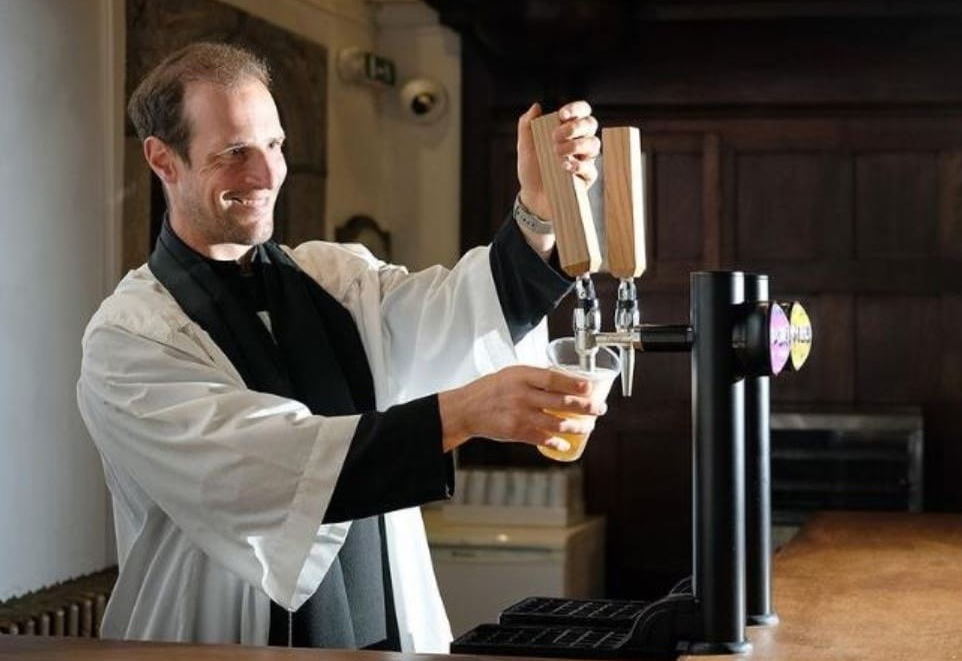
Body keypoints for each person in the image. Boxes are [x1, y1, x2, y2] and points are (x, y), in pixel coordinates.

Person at [77, 42, 603, 651]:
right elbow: (265, 467)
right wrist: (462, 412)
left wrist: (536, 211)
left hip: (376, 613)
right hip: (219, 637)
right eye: (233, 153)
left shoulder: (332, 279)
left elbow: (460, 314)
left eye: (274, 145)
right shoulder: (130, 338)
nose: (266, 173)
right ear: (162, 159)